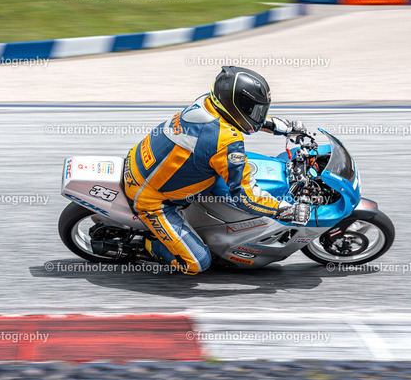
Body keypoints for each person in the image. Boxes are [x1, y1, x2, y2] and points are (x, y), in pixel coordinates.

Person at [123, 66, 311, 274]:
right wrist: (284, 210)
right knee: (197, 263)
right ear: (234, 105)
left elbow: (242, 120)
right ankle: (150, 245)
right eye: (254, 110)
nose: (258, 116)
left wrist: (281, 127)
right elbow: (245, 198)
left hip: (144, 161)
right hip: (151, 198)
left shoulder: (207, 102)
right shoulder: (225, 141)